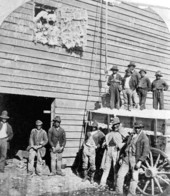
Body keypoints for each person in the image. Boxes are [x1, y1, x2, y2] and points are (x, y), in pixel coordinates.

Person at [116, 121, 150, 196]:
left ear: (141, 128)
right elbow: (126, 147)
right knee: (120, 175)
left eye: (139, 128)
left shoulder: (144, 138)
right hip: (126, 158)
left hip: (135, 159)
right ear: (134, 128)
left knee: (134, 178)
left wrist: (140, 161)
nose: (137, 129)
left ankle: (131, 194)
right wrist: (122, 157)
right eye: (136, 128)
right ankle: (119, 193)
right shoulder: (131, 136)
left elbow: (146, 151)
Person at [100, 117, 124, 189]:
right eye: (114, 124)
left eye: (117, 124)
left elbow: (125, 143)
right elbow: (105, 142)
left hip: (115, 150)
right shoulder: (109, 134)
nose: (116, 126)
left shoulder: (121, 133)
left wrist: (120, 145)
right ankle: (102, 183)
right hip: (109, 151)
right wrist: (105, 143)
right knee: (107, 168)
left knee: (115, 167)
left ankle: (116, 184)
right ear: (113, 126)